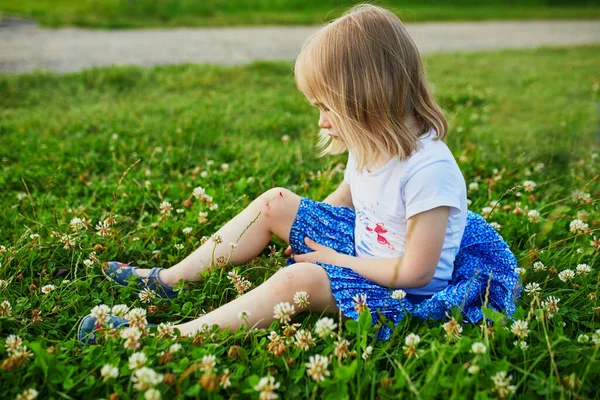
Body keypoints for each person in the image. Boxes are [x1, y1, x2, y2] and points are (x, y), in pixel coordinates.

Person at [78, 4, 520, 344]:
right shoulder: (373, 143)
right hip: (369, 248)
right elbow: (350, 194)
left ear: (366, 100)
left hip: (407, 293)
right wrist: (308, 224)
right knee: (276, 202)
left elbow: (417, 273)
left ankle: (170, 337)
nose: (323, 122)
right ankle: (168, 282)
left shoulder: (430, 171)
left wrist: (335, 259)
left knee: (299, 280)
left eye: (329, 108)